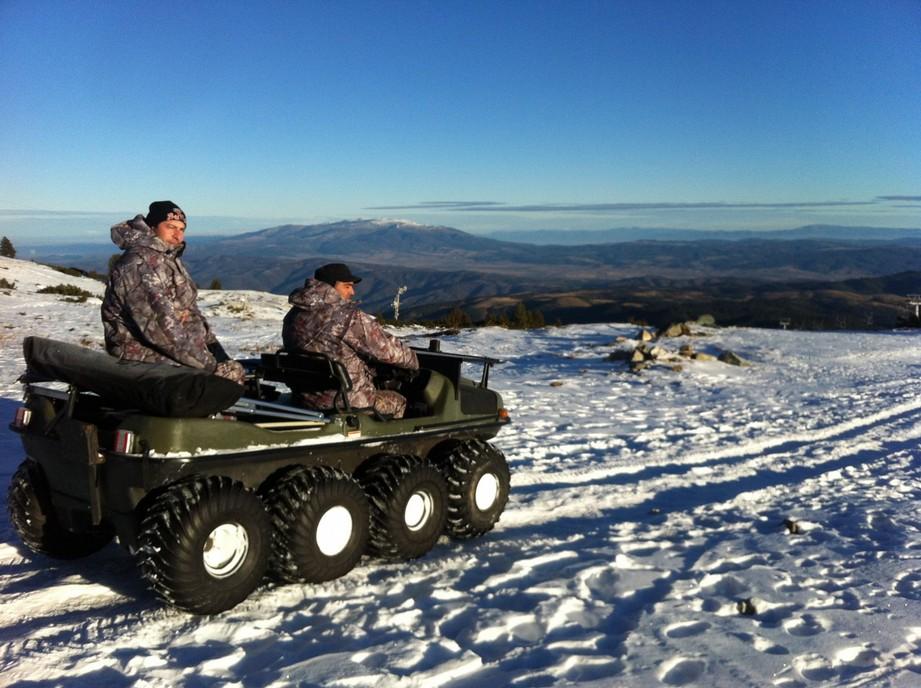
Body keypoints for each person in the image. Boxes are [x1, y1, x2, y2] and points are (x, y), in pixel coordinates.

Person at [101, 200, 244, 384]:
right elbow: (162, 330)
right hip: (141, 359)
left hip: (174, 354)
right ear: (152, 227)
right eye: (170, 227)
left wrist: (219, 354)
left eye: (181, 229)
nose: (178, 235)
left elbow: (191, 313)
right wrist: (213, 368)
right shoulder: (139, 265)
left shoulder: (166, 259)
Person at [282, 263, 419, 417]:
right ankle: (389, 440)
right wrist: (415, 361)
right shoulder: (347, 317)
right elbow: (388, 351)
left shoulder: (294, 314)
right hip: (346, 402)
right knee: (399, 401)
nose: (352, 292)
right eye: (347, 286)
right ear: (331, 287)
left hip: (304, 399)